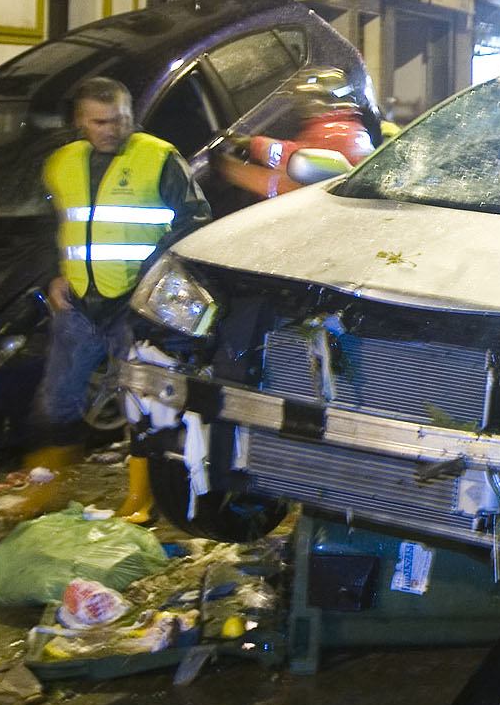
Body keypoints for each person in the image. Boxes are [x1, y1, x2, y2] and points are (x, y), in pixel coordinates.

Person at [23, 76, 211, 522]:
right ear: (80, 122)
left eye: (121, 120)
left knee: (141, 404)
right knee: (57, 400)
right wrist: (52, 275)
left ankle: (140, 501)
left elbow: (196, 220)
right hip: (79, 305)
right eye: (101, 121)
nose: (112, 129)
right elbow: (46, 226)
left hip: (134, 305)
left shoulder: (158, 158)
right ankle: (47, 492)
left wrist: (153, 281)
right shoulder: (61, 164)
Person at [213, 68, 383, 203]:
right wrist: (248, 144)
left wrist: (232, 169)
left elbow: (288, 165)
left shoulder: (336, 132)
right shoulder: (348, 127)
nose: (302, 106)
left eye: (307, 99)